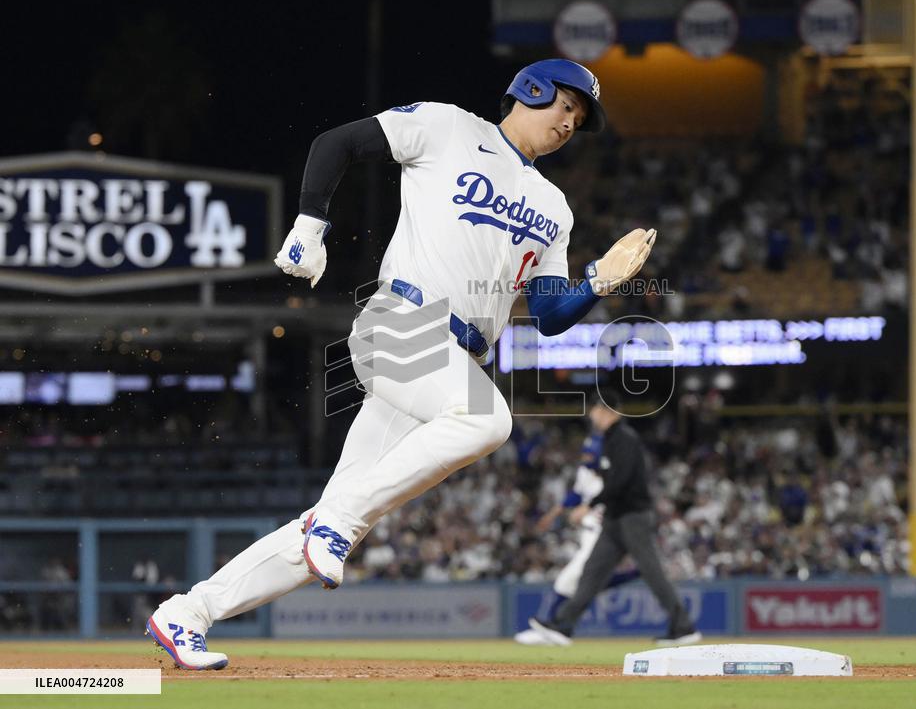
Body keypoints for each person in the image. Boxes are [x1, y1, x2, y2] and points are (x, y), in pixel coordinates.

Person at [144, 58, 657, 670]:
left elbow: (547, 314)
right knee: (488, 421)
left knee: (329, 525)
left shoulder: (554, 206)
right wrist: (312, 223)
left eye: (579, 117)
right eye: (566, 105)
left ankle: (188, 613)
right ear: (532, 89)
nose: (570, 122)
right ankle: (333, 524)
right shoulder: (448, 127)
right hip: (400, 324)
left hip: (447, 362)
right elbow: (338, 143)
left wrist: (598, 279)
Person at [528, 390, 702, 647]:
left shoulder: (624, 438)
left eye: (594, 410)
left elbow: (621, 481)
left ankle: (683, 626)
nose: (591, 415)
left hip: (633, 516)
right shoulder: (610, 439)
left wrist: (590, 505)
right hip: (614, 518)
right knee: (592, 572)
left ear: (605, 410)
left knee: (652, 573)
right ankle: (563, 625)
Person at [513, 431, 639, 645]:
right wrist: (553, 514)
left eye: (590, 455)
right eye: (585, 454)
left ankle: (554, 628)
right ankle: (557, 629)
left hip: (604, 536)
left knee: (569, 580)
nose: (586, 458)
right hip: (589, 535)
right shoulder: (585, 472)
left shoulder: (614, 478)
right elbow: (576, 495)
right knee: (586, 583)